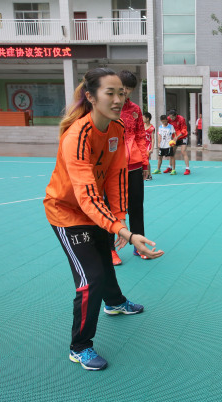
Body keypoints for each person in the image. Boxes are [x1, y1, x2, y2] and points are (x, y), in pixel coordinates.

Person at [43, 67, 164, 371]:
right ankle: (80, 346)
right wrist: (123, 229)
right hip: (68, 213)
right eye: (110, 93)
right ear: (91, 97)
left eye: (121, 92)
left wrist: (120, 220)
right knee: (90, 279)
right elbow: (85, 194)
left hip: (98, 210)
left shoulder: (117, 128)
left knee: (105, 261)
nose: (118, 99)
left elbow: (115, 176)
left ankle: (115, 303)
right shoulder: (77, 135)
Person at [116, 70, 149, 261]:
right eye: (123, 87)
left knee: (136, 206)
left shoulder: (135, 109)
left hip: (134, 165)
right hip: (112, 166)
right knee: (110, 207)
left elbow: (140, 137)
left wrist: (145, 163)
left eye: (129, 89)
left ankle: (139, 245)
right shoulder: (107, 107)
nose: (126, 92)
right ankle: (110, 249)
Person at [168, 109, 190, 175]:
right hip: (175, 138)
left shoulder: (181, 119)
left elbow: (184, 129)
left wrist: (177, 137)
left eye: (172, 117)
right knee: (172, 153)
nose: (171, 119)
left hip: (183, 136)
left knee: (183, 151)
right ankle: (170, 167)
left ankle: (187, 169)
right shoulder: (168, 119)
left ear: (176, 116)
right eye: (170, 117)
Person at [142, 111, 155, 181]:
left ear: (148, 118)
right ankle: (144, 174)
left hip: (148, 145)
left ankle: (149, 175)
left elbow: (153, 139)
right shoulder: (142, 125)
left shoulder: (151, 128)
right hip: (142, 144)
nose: (142, 119)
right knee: (141, 160)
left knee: (146, 160)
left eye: (143, 118)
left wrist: (152, 148)